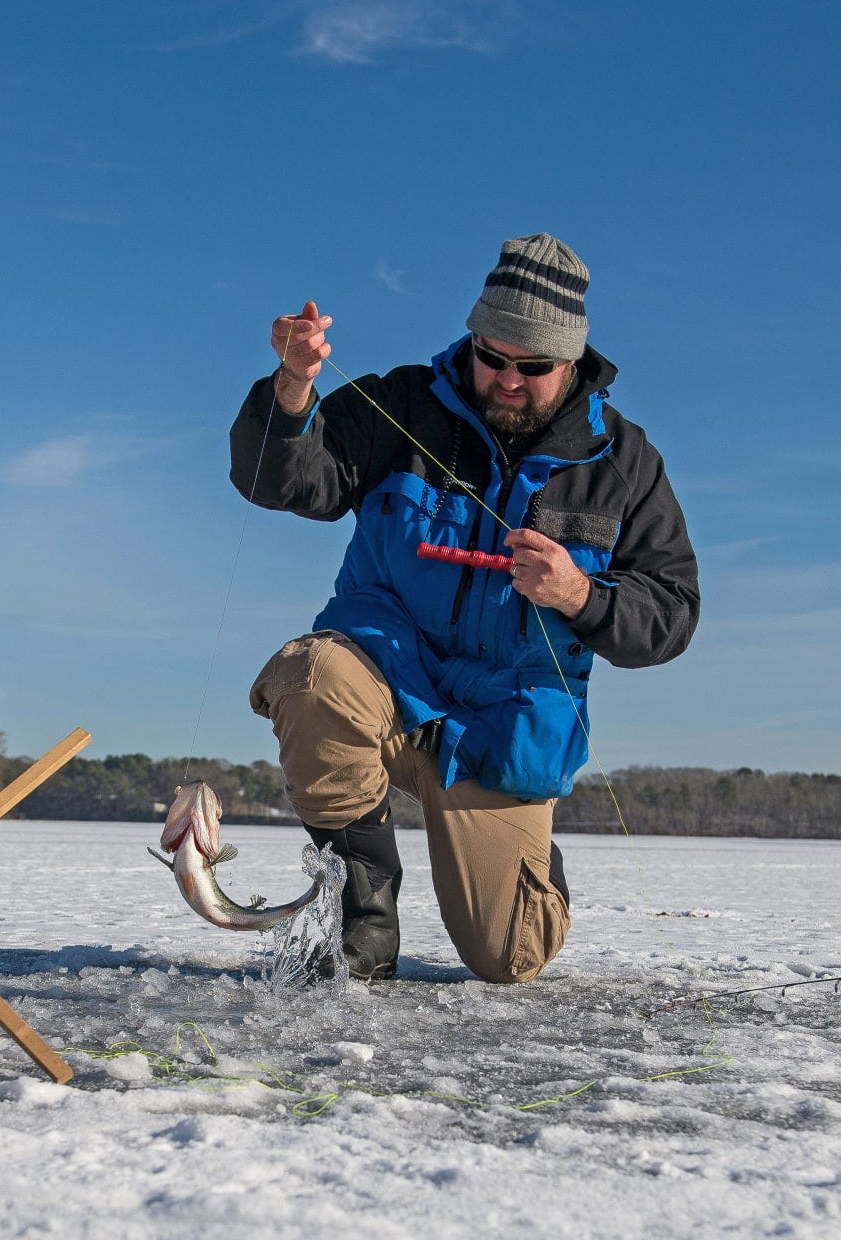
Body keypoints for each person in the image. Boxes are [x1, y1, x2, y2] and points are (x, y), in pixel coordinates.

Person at [229, 233, 699, 983]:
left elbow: (671, 617)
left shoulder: (625, 463)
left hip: (502, 722)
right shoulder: (403, 402)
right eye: (492, 356)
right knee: (313, 674)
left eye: (532, 367)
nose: (507, 379)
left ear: (571, 362)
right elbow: (284, 483)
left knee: (507, 959)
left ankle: (524, 855)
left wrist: (578, 595)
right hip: (387, 678)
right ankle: (362, 925)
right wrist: (291, 392)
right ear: (473, 338)